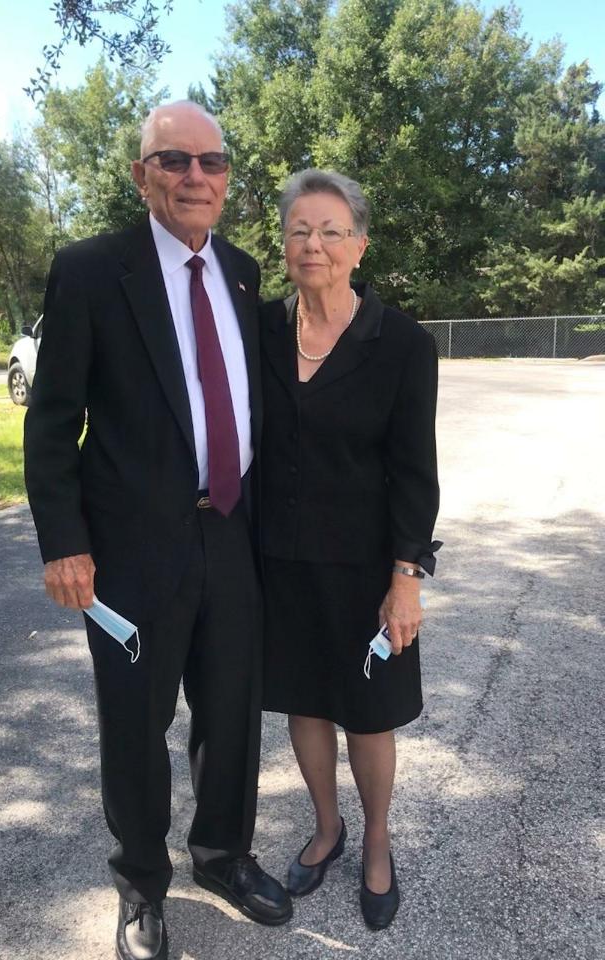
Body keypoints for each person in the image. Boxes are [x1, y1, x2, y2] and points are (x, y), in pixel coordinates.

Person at [24, 101, 292, 960]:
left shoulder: (244, 273)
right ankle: (141, 885)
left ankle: (221, 855)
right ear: (142, 176)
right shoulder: (93, 271)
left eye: (211, 163)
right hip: (132, 551)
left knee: (232, 712)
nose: (195, 178)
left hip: (232, 533)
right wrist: (63, 540)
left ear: (226, 180)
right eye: (174, 162)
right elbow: (52, 417)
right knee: (135, 724)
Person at [259, 169, 440, 930]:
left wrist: (406, 577)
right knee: (305, 702)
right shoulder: (258, 329)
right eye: (301, 230)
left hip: (367, 566)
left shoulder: (400, 343)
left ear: (359, 246)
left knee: (367, 713)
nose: (316, 245)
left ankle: (375, 842)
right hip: (279, 560)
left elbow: (415, 471)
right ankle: (326, 829)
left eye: (332, 231)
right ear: (285, 243)